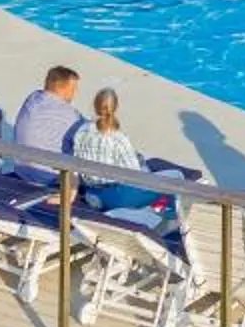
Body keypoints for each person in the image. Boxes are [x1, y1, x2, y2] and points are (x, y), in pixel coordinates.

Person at [72, 86, 166, 214]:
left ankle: (98, 199)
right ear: (115, 108)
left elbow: (77, 164)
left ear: (95, 106)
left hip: (91, 191)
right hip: (117, 197)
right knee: (175, 177)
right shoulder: (118, 138)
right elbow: (134, 176)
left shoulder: (80, 132)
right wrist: (142, 165)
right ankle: (159, 212)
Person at [9, 64, 82, 184]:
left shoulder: (33, 98)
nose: (76, 92)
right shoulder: (68, 114)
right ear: (62, 88)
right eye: (73, 89)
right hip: (48, 178)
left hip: (21, 171)